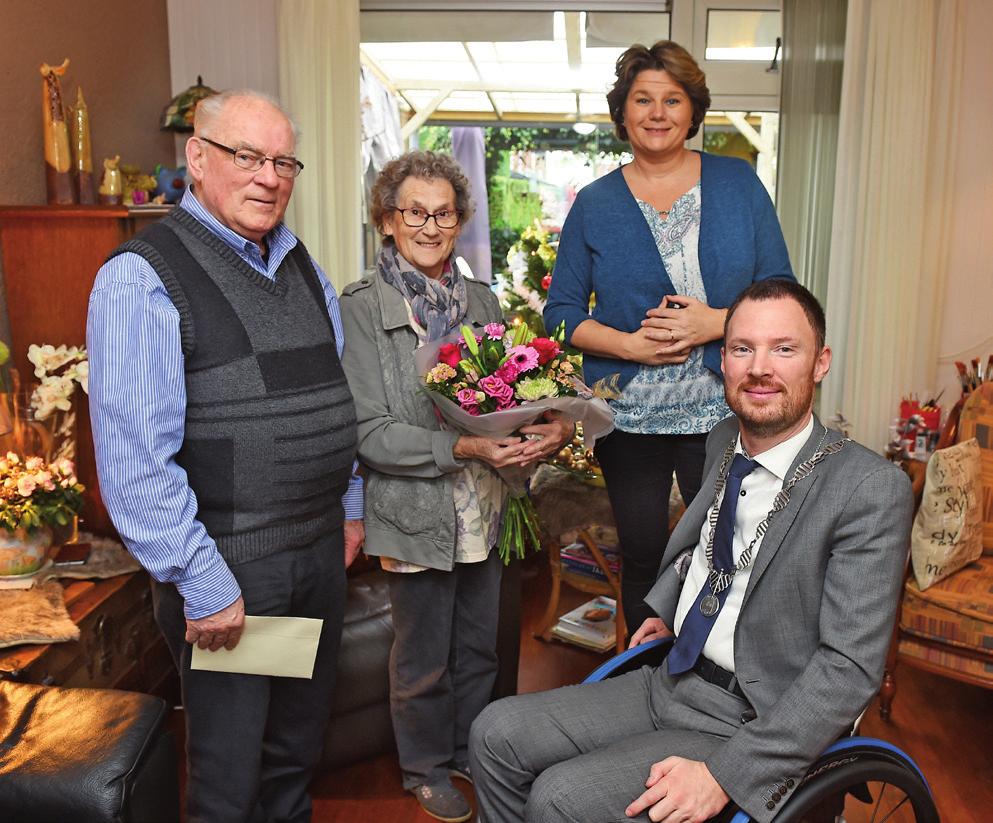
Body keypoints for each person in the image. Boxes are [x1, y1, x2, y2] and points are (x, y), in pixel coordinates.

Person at [470, 279, 912, 823]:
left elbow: (848, 670)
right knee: (494, 733)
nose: (759, 368)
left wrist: (724, 774)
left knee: (561, 797)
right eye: (743, 348)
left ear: (820, 363)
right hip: (674, 677)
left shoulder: (867, 488)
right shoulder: (724, 436)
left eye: (784, 348)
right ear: (722, 359)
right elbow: (703, 544)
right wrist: (668, 609)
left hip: (754, 717)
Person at [87, 90, 363, 823]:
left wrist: (350, 507)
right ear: (198, 159)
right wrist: (203, 582)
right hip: (231, 571)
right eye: (247, 157)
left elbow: (337, 396)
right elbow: (135, 461)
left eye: (282, 161)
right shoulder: (143, 276)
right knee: (230, 774)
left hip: (313, 557)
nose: (268, 177)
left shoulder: (301, 264)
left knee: (292, 755)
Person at [339, 151, 572, 823]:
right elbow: (369, 430)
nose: (429, 225)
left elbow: (510, 390)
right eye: (414, 211)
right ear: (387, 220)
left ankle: (472, 749)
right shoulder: (362, 307)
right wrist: (462, 443)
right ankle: (423, 766)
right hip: (414, 507)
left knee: (478, 645)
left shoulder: (483, 299)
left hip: (485, 502)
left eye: (443, 212)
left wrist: (542, 424)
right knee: (421, 653)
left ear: (460, 220)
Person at [544, 40, 795, 634]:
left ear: (692, 110)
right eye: (643, 99)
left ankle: (713, 687)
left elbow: (781, 290)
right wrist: (629, 346)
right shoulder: (596, 204)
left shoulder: (738, 184)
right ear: (623, 112)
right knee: (643, 559)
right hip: (630, 418)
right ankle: (641, 683)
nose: (657, 113)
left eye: (672, 99)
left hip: (721, 408)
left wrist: (718, 322)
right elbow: (559, 315)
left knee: (729, 557)